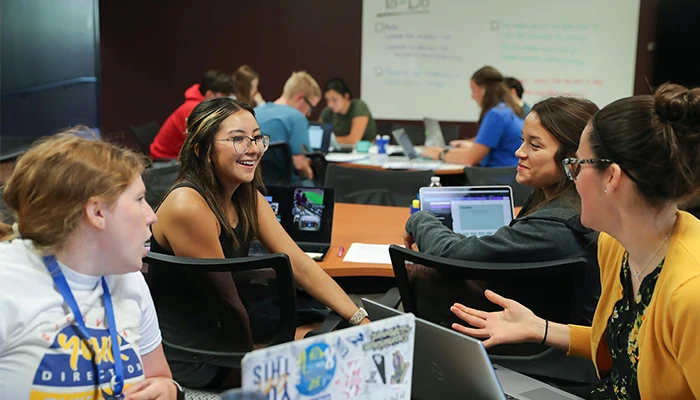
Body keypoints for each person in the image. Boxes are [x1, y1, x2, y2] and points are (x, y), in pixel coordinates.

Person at [450, 84, 700, 399]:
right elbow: (621, 344)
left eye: (577, 165)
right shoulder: (616, 246)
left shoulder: (690, 293)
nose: (573, 179)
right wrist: (539, 328)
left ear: (612, 177)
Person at [149, 98, 370, 388]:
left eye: (256, 138)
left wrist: (359, 318)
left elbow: (298, 261)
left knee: (339, 330)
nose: (253, 148)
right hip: (201, 352)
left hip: (233, 324)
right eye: (238, 139)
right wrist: (263, 365)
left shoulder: (246, 195)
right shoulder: (188, 206)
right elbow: (225, 302)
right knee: (331, 355)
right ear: (202, 150)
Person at [0, 131, 182, 399]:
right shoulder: (8, 281)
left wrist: (169, 390)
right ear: (97, 213)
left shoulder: (127, 275)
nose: (152, 216)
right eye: (139, 199)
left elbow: (158, 376)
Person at [404, 97, 601, 326]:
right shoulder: (573, 202)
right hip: (543, 329)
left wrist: (419, 219)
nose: (519, 152)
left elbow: (451, 255)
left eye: (534, 145)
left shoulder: (555, 225)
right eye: (522, 141)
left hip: (535, 344)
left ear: (573, 159)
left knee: (425, 274)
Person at [423, 66, 524, 167]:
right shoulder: (507, 110)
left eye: (474, 90)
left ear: (485, 90)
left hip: (496, 177)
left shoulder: (497, 114)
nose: (472, 96)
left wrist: (438, 153)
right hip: (506, 174)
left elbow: (470, 159)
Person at [150, 70, 234, 160]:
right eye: (224, 96)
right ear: (209, 94)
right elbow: (199, 144)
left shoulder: (201, 107)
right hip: (165, 161)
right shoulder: (192, 110)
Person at [254, 71, 320, 182]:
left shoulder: (253, 112)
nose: (309, 114)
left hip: (252, 187)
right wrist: (310, 175)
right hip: (285, 190)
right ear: (300, 98)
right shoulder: (297, 117)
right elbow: (300, 165)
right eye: (311, 108)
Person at [320, 78, 376, 144]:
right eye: (327, 100)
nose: (330, 104)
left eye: (334, 100)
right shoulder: (328, 111)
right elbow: (318, 134)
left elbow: (353, 140)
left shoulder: (359, 107)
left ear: (346, 96)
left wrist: (328, 139)